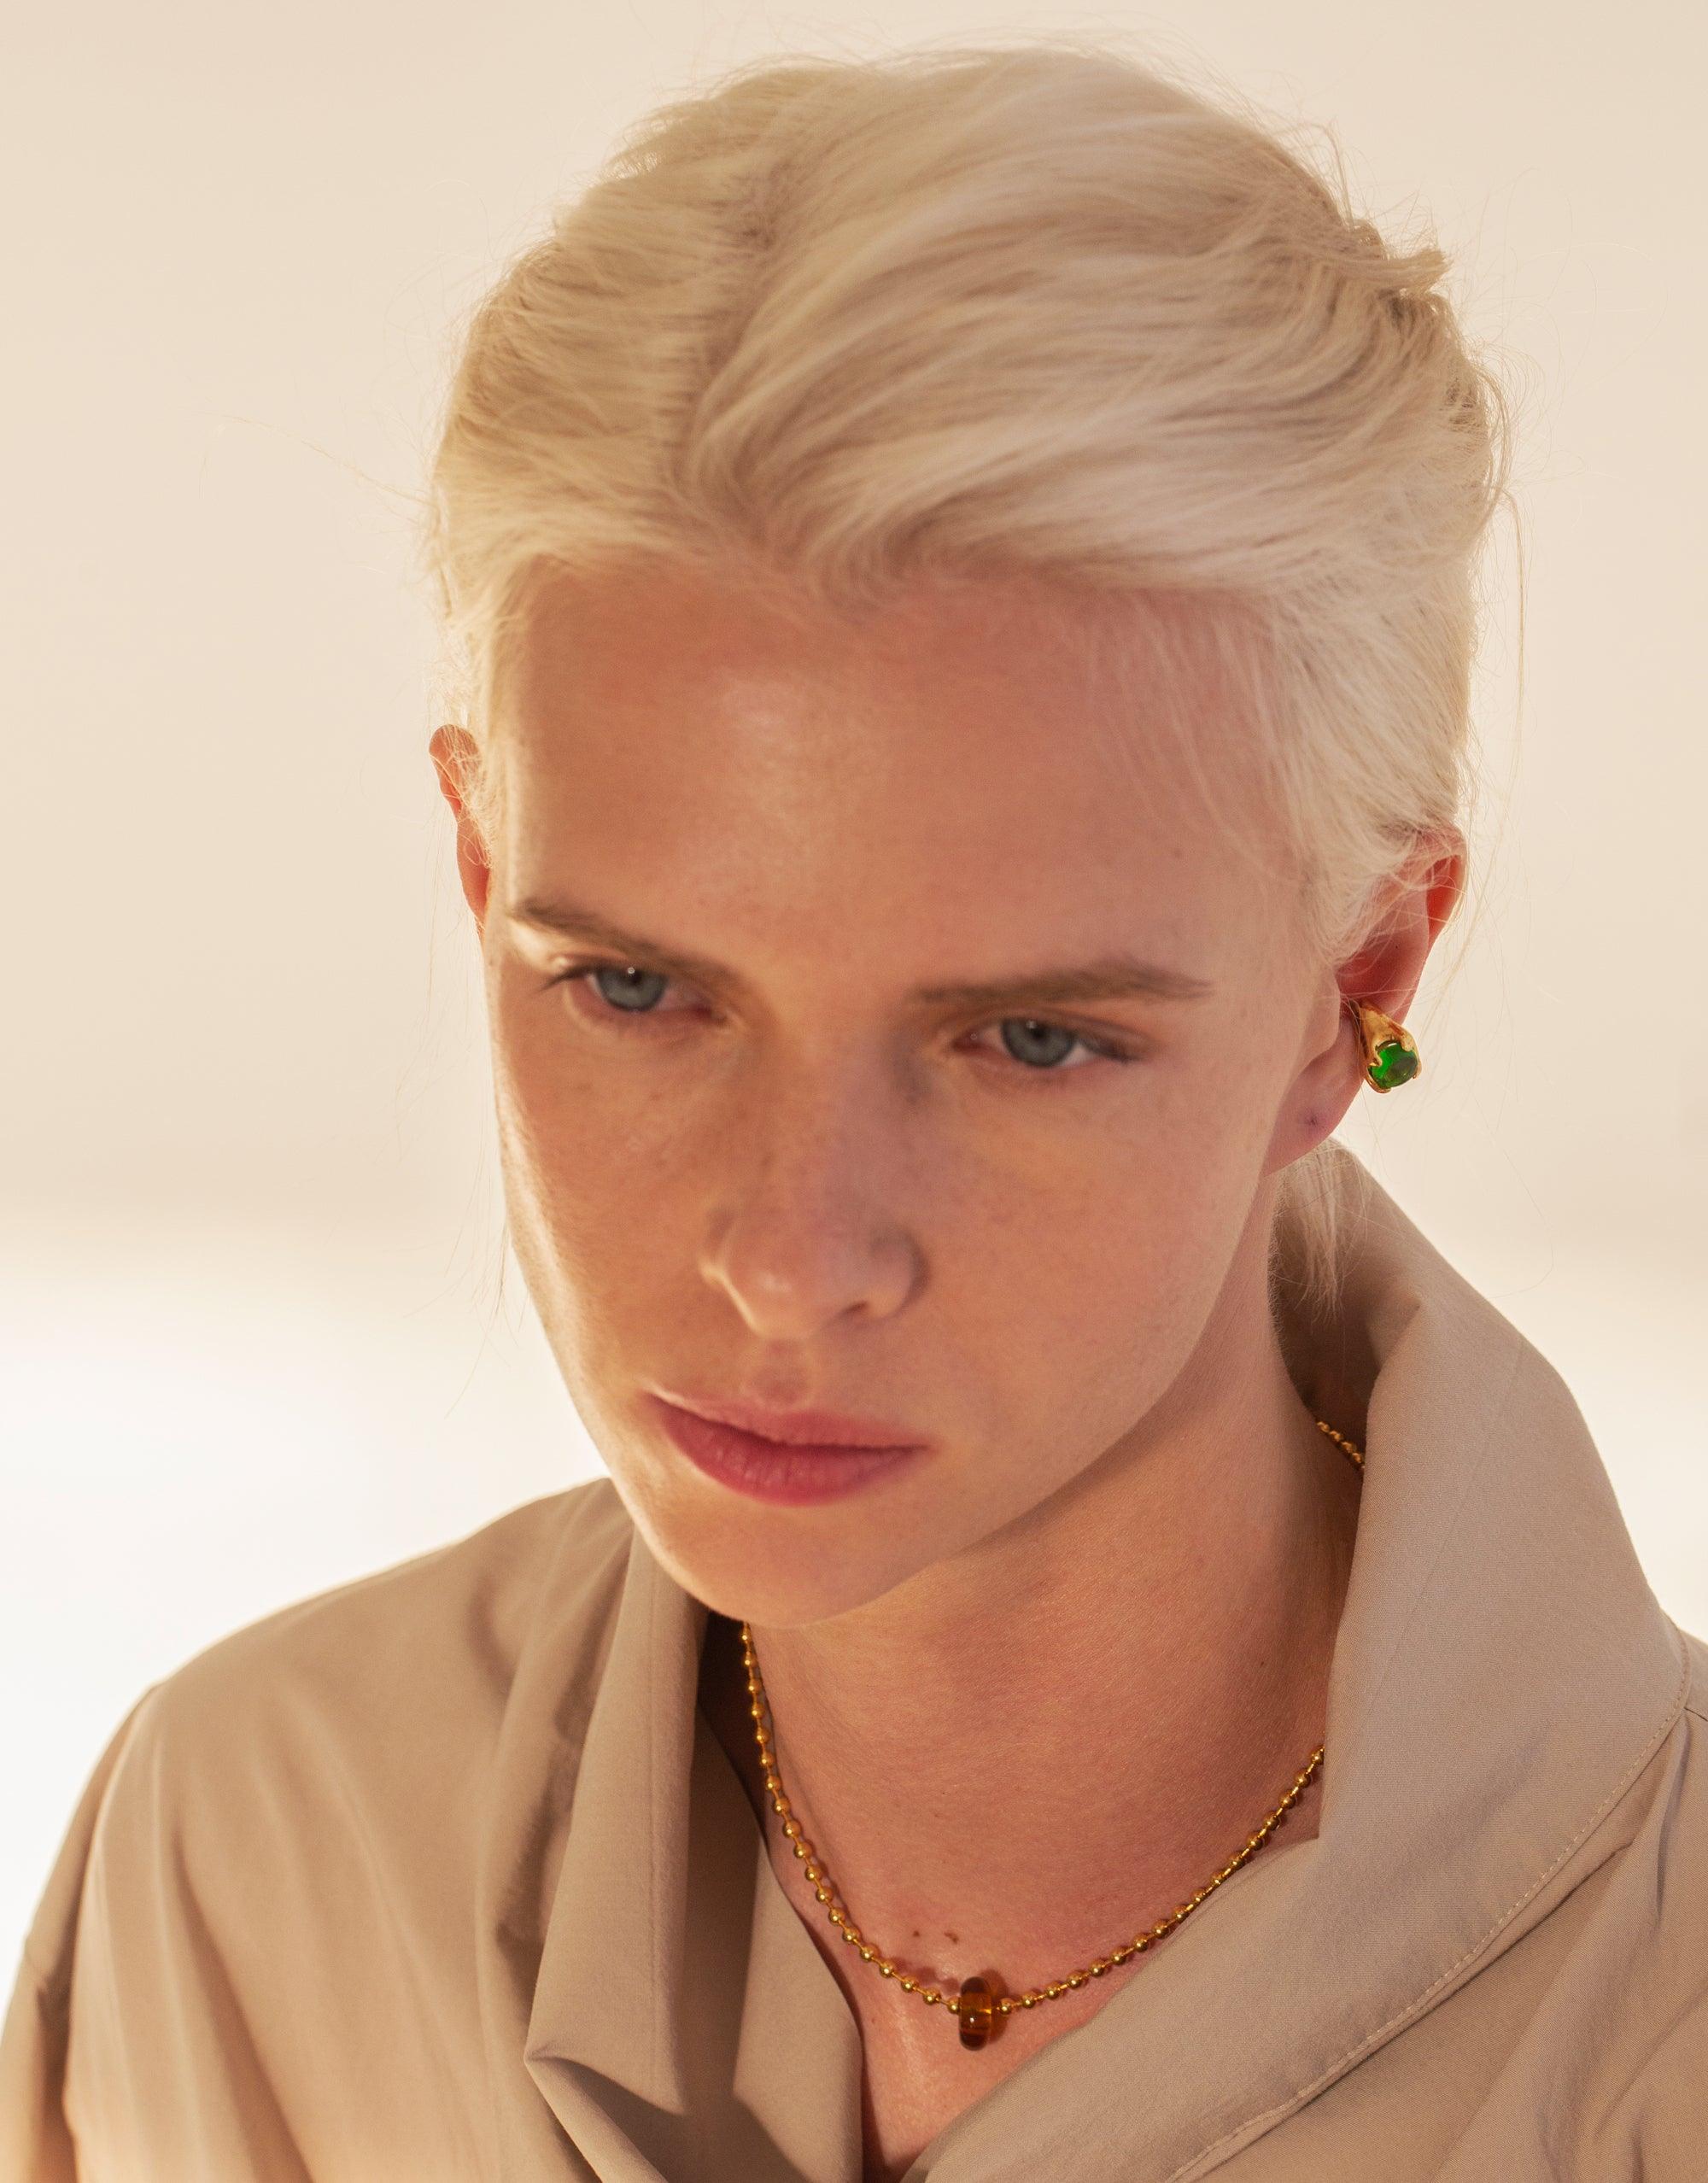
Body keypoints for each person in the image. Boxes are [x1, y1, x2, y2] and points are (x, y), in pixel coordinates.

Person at [4, 37, 1705, 2183]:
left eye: (1030, 1041)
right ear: (480, 862)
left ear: (1355, 982)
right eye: (636, 989)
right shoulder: (249, 1867)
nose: (792, 1261)